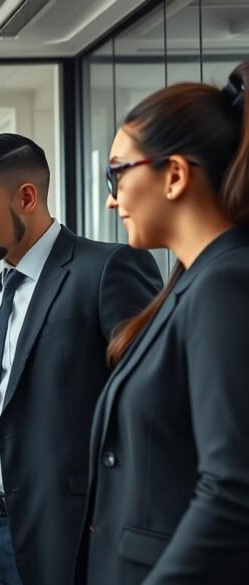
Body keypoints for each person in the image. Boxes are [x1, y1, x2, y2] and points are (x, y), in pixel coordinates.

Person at [0, 133, 162, 585]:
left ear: (26, 197)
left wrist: (121, 513)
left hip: (71, 532)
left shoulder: (107, 270)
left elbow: (152, 406)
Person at [75, 61, 249, 585]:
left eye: (117, 173)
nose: (111, 197)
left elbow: (233, 487)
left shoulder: (226, 284)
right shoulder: (193, 282)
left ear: (173, 175)